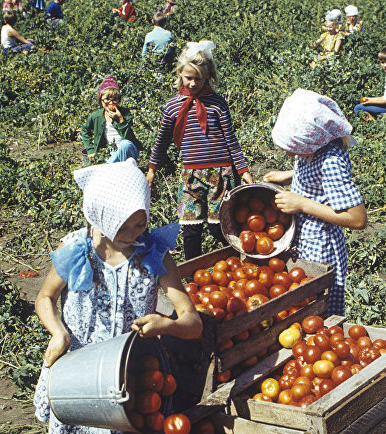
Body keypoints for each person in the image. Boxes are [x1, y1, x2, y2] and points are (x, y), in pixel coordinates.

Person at [33, 158, 203, 434]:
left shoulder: (155, 257)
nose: (132, 234)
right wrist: (58, 332)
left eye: (140, 224)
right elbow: (45, 297)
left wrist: (166, 325)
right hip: (77, 370)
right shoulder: (76, 249)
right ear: (99, 217)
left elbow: (193, 323)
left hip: (130, 375)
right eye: (121, 227)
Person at [262, 90, 367, 316]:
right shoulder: (311, 152)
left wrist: (301, 204)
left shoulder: (330, 162)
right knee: (302, 301)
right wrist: (289, 175)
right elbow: (316, 177)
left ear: (308, 140)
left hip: (321, 247)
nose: (286, 151)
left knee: (318, 307)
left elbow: (357, 218)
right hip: (304, 238)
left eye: (291, 146)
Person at [146, 41, 254, 259]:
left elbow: (230, 139)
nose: (193, 83)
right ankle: (191, 278)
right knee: (190, 230)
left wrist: (243, 171)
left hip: (220, 174)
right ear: (180, 74)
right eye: (188, 77)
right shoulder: (172, 106)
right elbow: (162, 140)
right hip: (191, 176)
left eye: (198, 78)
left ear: (208, 77)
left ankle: (237, 263)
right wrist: (151, 169)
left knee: (219, 228)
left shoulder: (217, 103)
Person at [81, 76, 142, 164]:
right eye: (107, 99)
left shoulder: (125, 113)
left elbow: (130, 138)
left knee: (124, 144)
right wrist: (90, 149)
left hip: (129, 150)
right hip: (110, 151)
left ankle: (107, 167)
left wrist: (120, 119)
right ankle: (122, 166)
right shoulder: (96, 116)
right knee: (112, 156)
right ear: (101, 100)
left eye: (114, 99)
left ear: (118, 100)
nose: (111, 102)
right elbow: (84, 130)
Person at [354, 37, 386, 120]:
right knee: (364, 105)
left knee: (358, 108)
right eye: (382, 62)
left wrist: (371, 102)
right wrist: (370, 99)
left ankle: (375, 125)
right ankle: (378, 118)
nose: (384, 65)